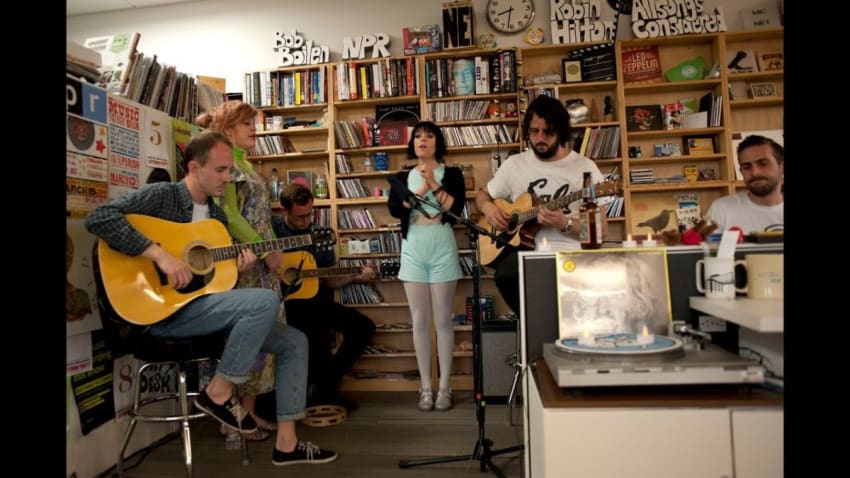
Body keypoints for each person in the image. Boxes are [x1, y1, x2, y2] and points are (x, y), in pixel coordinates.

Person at [85, 130, 337, 466]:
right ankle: (218, 392)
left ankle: (287, 445)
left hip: (198, 311)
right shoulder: (163, 197)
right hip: (160, 313)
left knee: (294, 341)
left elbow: (214, 282)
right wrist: (159, 256)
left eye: (229, 170)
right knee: (264, 300)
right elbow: (99, 217)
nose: (227, 177)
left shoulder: (217, 218)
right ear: (194, 167)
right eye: (220, 170)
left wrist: (238, 266)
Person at [195, 100, 285, 440]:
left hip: (260, 260)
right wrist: (266, 250)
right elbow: (230, 216)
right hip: (242, 262)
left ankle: (249, 414)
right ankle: (233, 419)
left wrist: (274, 247)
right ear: (228, 128)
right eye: (247, 123)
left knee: (263, 341)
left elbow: (261, 216)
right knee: (246, 339)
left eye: (254, 122)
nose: (255, 129)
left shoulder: (246, 163)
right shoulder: (227, 165)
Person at [475, 95, 608, 315]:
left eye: (548, 132)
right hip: (526, 256)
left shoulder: (584, 168)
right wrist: (489, 209)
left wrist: (564, 223)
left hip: (569, 256)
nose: (540, 139)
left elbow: (600, 231)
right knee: (506, 273)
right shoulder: (514, 165)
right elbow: (482, 196)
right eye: (534, 131)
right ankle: (531, 322)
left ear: (561, 132)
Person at [271, 182, 377, 411]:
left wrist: (354, 275)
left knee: (364, 327)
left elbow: (329, 279)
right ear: (285, 210)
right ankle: (311, 394)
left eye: (309, 215)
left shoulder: (319, 235)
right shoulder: (272, 230)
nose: (305, 221)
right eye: (299, 217)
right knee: (313, 336)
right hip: (280, 304)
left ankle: (326, 387)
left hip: (314, 300)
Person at [387, 121, 465, 412]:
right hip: (413, 249)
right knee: (419, 320)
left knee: (443, 320)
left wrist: (433, 182)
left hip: (442, 248)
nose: (422, 140)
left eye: (429, 136)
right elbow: (395, 209)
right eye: (418, 136)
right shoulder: (401, 177)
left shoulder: (453, 174)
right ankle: (425, 387)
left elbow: (455, 208)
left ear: (437, 142)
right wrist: (419, 188)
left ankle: (445, 386)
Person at [707, 135, 784, 234]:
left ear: (782, 167)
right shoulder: (721, 209)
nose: (755, 173)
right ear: (741, 171)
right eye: (747, 167)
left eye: (763, 163)